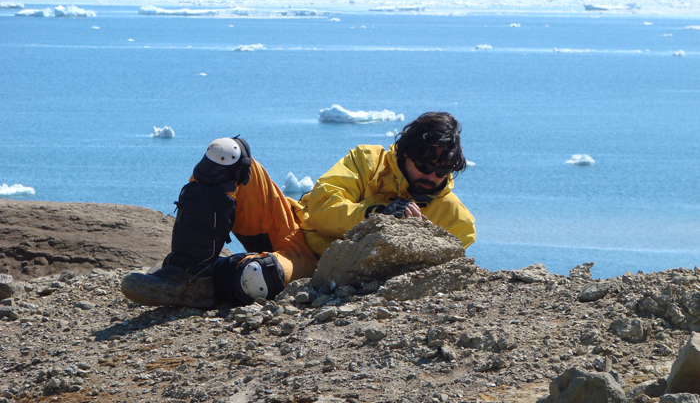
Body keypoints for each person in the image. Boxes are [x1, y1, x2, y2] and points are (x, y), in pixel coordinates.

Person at [120, 111, 476, 308]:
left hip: (320, 262)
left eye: (442, 169)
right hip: (290, 221)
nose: (431, 176)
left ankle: (206, 279)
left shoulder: (457, 221)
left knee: (258, 278)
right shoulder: (366, 160)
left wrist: (404, 234)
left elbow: (433, 273)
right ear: (404, 154)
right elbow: (322, 209)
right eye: (424, 165)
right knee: (227, 154)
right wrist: (377, 213)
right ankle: (182, 273)